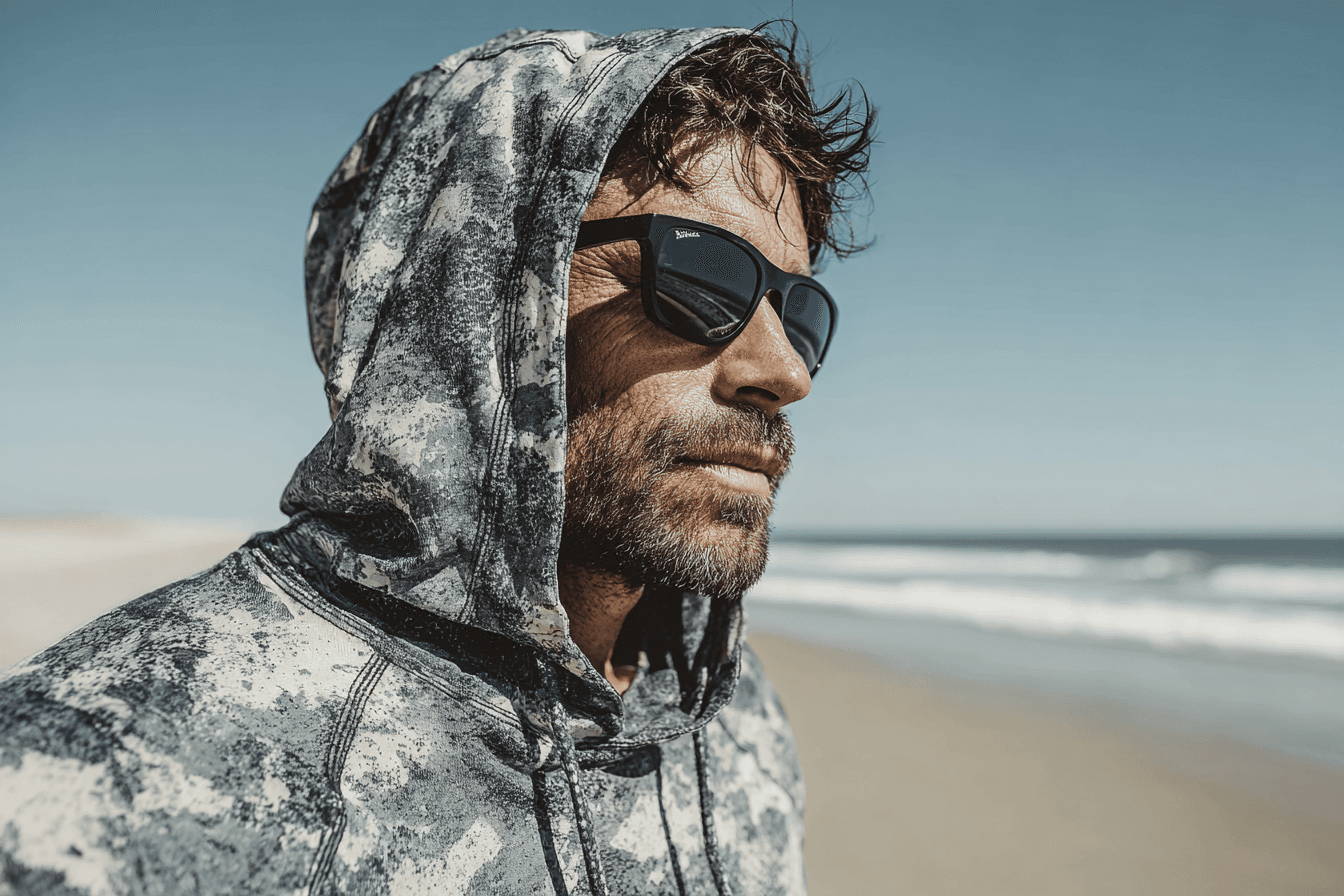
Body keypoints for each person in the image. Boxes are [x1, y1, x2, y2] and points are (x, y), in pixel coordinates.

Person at [0, 25, 872, 896]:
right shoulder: (105, 784)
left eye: (799, 313)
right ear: (473, 293)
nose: (785, 372)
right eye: (702, 276)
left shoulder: (725, 710)